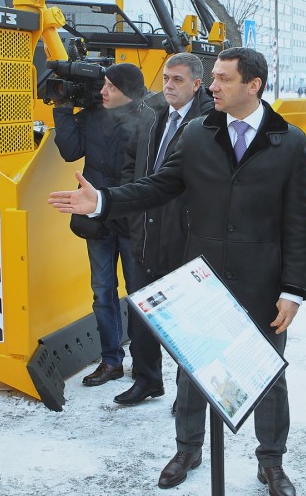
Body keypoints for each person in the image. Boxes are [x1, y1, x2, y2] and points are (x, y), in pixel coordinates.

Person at [48, 48, 306, 496]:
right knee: (193, 372)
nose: (213, 87)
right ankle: (187, 449)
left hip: (262, 281)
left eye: (224, 79)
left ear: (254, 85)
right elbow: (159, 185)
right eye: (213, 78)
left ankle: (271, 462)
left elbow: (298, 222)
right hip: (203, 278)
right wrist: (105, 201)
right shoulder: (196, 134)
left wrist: (293, 289)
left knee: (267, 375)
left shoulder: (288, 141)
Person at [113, 53, 213, 406]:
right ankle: (147, 380)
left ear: (197, 84)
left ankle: (188, 391)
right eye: (166, 78)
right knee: (141, 310)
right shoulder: (150, 113)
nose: (169, 86)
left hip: (183, 235)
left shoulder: (210, 122)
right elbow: (130, 164)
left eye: (178, 80)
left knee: (184, 318)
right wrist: (131, 214)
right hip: (143, 231)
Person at [51, 62, 147, 387]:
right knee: (102, 291)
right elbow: (70, 151)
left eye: (111, 87)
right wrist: (63, 108)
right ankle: (111, 362)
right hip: (96, 221)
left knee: (138, 292)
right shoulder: (92, 115)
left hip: (132, 220)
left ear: (129, 92)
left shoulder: (148, 120)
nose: (103, 91)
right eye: (102, 85)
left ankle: (144, 362)